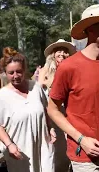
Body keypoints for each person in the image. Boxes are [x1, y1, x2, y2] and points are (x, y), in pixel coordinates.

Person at [47, 4, 99, 172]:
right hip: (84, 157)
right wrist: (81, 139)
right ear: (91, 30)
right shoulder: (69, 67)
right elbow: (52, 109)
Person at [0, 51, 55, 172]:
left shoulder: (36, 87)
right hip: (20, 151)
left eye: (19, 71)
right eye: (11, 73)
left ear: (24, 70)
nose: (16, 76)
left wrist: (50, 128)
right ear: (5, 73)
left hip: (43, 146)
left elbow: (45, 110)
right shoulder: (2, 96)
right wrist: (10, 145)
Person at [38, 39, 76, 172]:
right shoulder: (46, 69)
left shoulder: (73, 68)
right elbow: (40, 85)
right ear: (53, 54)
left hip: (71, 111)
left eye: (65, 51)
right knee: (58, 147)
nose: (62, 53)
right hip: (53, 112)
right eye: (59, 51)